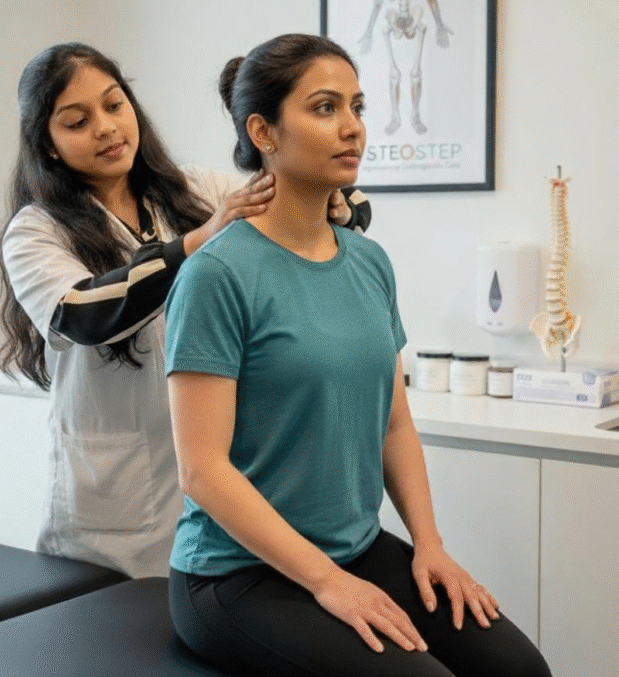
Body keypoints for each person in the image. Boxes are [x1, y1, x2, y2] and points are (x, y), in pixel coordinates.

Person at [164, 33, 551, 677]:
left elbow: (394, 425)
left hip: (357, 548)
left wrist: (429, 546)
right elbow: (202, 471)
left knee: (519, 671)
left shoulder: (368, 262)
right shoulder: (217, 275)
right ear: (264, 132)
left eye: (358, 107)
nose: (352, 128)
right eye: (323, 108)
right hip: (237, 575)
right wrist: (325, 582)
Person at [0, 42, 371, 580]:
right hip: (114, 505)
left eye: (114, 105)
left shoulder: (199, 191)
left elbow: (315, 201)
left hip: (218, 487)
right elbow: (81, 313)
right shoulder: (36, 231)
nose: (105, 128)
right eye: (77, 122)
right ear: (48, 146)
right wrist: (198, 241)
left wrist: (335, 202)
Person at [359, 0, 452, 135]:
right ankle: (395, 118)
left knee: (416, 73)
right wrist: (367, 32)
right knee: (394, 74)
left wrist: (439, 25)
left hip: (415, 19)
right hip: (393, 20)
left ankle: (416, 116)